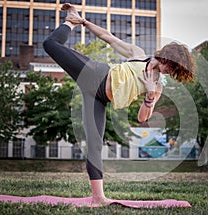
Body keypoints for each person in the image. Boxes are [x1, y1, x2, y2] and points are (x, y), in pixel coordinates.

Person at [43, 3, 195, 206]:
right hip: (95, 74)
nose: (168, 70)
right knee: (50, 45)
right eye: (170, 65)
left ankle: (98, 198)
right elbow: (109, 38)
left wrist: (149, 95)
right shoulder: (138, 54)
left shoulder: (157, 87)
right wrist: (85, 23)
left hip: (98, 99)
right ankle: (71, 22)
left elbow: (142, 118)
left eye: (173, 70)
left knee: (94, 145)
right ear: (165, 55)